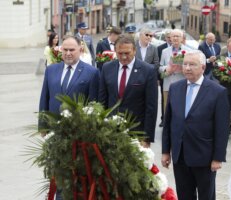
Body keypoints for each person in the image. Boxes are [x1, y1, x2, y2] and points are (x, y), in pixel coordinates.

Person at [161, 50, 230, 200]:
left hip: (204, 156)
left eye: (192, 64)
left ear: (203, 67)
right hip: (180, 155)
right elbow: (168, 122)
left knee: (206, 196)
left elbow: (222, 128)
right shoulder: (175, 88)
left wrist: (218, 157)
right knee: (184, 195)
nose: (187, 68)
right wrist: (166, 151)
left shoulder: (217, 92)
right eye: (185, 64)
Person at [39, 36, 100, 200]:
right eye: (64, 49)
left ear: (80, 49)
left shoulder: (92, 73)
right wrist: (43, 127)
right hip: (54, 133)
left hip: (78, 135)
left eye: (71, 50)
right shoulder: (51, 70)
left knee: (75, 176)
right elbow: (44, 97)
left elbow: (95, 105)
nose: (67, 53)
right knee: (57, 174)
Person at [99, 34, 158, 148]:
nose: (124, 57)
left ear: (134, 51)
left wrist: (147, 138)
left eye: (127, 53)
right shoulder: (107, 68)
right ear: (115, 51)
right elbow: (102, 101)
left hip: (136, 132)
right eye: (120, 53)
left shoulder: (148, 70)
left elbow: (151, 107)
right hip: (110, 131)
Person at [159, 29, 192, 111]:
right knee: (167, 108)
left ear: (182, 38)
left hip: (182, 83)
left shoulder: (189, 51)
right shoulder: (164, 51)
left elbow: (192, 66)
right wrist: (167, 68)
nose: (175, 38)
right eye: (173, 36)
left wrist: (183, 68)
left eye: (178, 36)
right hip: (168, 84)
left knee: (181, 108)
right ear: (170, 38)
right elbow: (160, 67)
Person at [155, 29, 173, 127]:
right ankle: (163, 119)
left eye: (172, 37)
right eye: (168, 37)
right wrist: (158, 78)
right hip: (164, 77)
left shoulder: (179, 49)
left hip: (175, 77)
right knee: (164, 99)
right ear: (166, 38)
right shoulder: (160, 48)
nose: (170, 39)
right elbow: (158, 64)